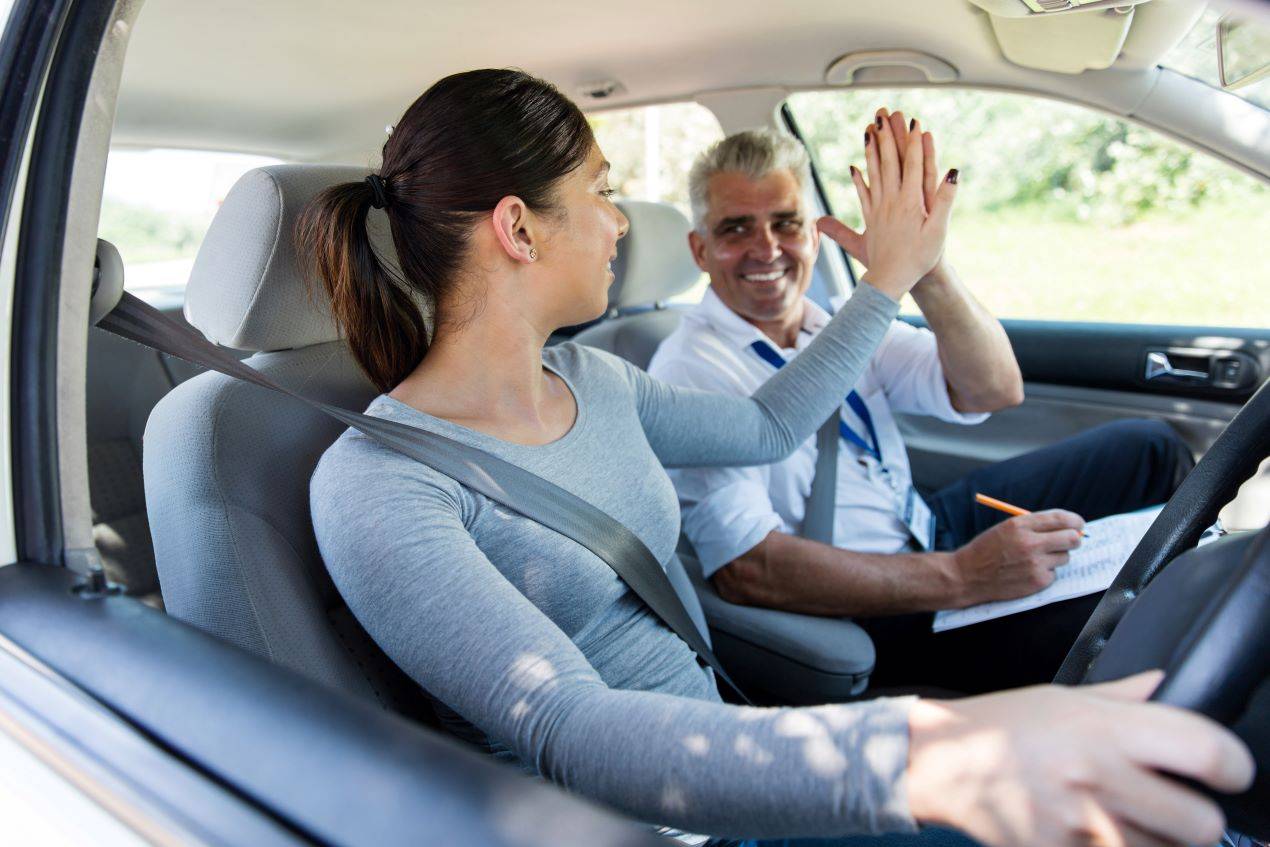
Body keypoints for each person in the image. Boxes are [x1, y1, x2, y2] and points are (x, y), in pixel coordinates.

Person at [302, 69, 1250, 847]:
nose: (620, 220)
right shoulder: (379, 483)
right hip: (651, 820)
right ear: (517, 229)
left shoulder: (593, 378)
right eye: (598, 189)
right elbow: (569, 729)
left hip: (738, 751)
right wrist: (938, 750)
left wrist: (889, 279)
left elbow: (767, 430)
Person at [647, 123, 1195, 694]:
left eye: (785, 223)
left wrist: (924, 268)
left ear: (813, 235)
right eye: (736, 229)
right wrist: (963, 577)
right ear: (700, 249)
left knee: (1149, 452)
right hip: (862, 603)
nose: (767, 248)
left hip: (921, 525)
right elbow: (748, 569)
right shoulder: (688, 372)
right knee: (1123, 627)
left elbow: (993, 389)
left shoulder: (832, 323)